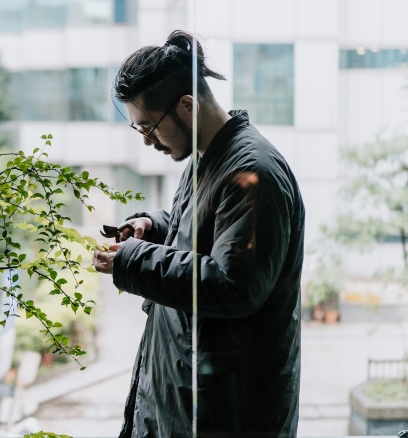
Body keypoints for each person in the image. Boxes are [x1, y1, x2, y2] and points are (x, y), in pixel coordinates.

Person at [92, 31, 304, 438]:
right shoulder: (206, 158)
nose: (148, 140)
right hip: (191, 403)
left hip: (226, 415)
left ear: (187, 106)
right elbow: (203, 234)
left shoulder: (253, 173)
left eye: (148, 127)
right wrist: (153, 229)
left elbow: (233, 284)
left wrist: (132, 260)